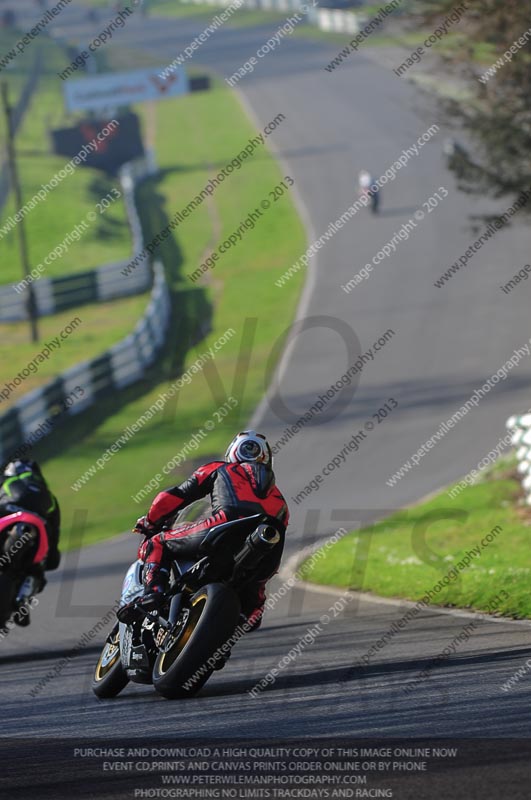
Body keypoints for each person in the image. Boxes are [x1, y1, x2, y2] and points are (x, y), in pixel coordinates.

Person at [129, 431, 289, 629]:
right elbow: (278, 542)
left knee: (157, 543)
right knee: (253, 608)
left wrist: (150, 521)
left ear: (232, 452)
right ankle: (250, 612)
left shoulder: (220, 468)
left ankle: (152, 593)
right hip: (266, 555)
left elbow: (174, 496)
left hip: (223, 528)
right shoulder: (281, 501)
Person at [0, 460, 61, 625]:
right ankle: (23, 600)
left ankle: (23, 598)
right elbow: (54, 542)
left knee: (37, 570)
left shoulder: (6, 482)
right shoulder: (49, 496)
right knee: (38, 571)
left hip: (10, 523)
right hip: (37, 530)